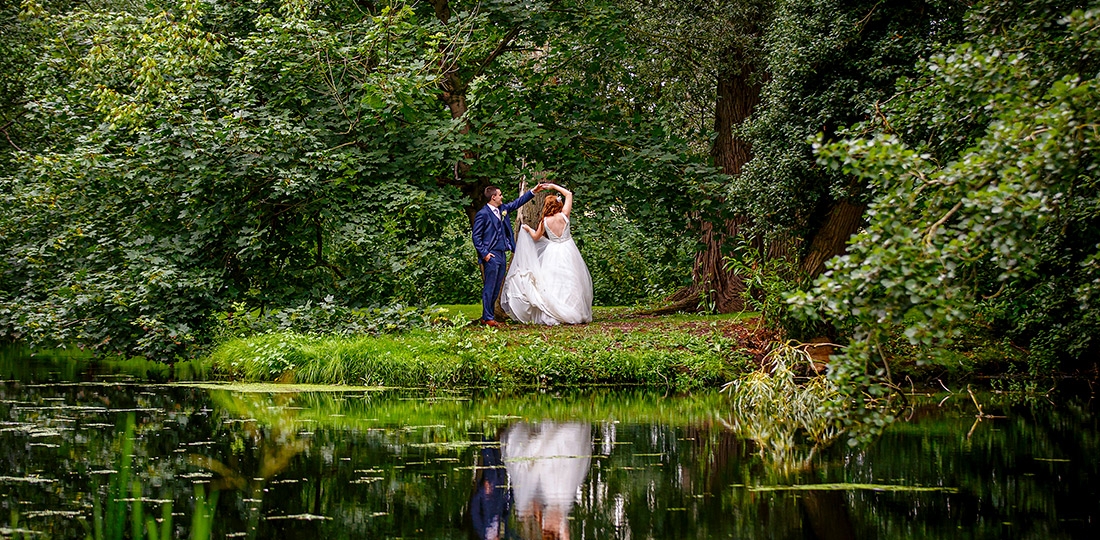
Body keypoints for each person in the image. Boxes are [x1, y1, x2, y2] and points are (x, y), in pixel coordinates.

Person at [500, 183, 593, 325]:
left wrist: (527, 229)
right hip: (569, 249)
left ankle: (556, 312)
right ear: (558, 205)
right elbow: (569, 194)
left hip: (553, 251)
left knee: (552, 281)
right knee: (572, 280)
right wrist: (553, 186)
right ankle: (575, 310)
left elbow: (536, 237)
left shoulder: (545, 221)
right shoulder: (565, 216)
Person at [501, 421, 592, 540]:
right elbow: (566, 534)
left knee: (544, 459)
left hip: (552, 494)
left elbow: (540, 511)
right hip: (558, 493)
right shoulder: (561, 528)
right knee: (555, 453)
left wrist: (535, 507)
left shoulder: (544, 527)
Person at [472, 183, 547, 327]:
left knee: (496, 287)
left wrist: (533, 191)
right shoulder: (483, 214)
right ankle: (487, 318)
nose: (502, 197)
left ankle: (488, 315)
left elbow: (517, 203)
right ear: (493, 197)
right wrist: (485, 254)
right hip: (491, 255)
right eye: (500, 195)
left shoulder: (503, 209)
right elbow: (476, 237)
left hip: (502, 252)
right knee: (489, 286)